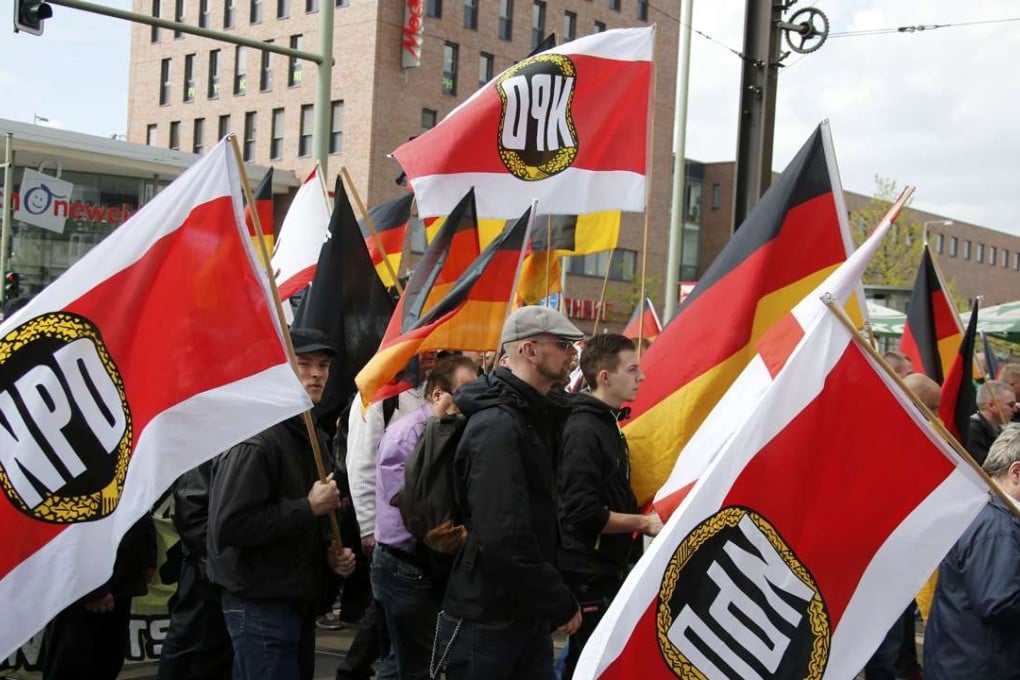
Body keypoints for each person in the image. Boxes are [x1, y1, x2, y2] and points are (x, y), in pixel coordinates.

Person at [436, 306, 585, 680]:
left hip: (520, 609)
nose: (572, 354)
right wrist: (558, 599)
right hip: (487, 616)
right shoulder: (498, 425)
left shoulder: (529, 414)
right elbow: (503, 536)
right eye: (563, 345)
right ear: (530, 351)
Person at [207, 327, 357, 680]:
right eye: (304, 364)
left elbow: (305, 520)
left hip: (294, 598)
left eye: (323, 365)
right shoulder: (258, 439)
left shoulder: (310, 434)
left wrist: (330, 555)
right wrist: (307, 507)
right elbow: (230, 526)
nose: (317, 373)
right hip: (260, 602)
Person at [557, 334, 662, 679]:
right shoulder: (585, 429)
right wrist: (643, 523)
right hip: (587, 574)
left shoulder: (606, 422)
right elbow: (583, 513)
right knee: (585, 665)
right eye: (632, 370)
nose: (641, 377)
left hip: (603, 570)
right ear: (604, 377)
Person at [372, 354, 479, 680]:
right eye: (464, 393)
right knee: (418, 664)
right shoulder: (409, 435)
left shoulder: (454, 430)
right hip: (407, 566)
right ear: (437, 394)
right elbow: (412, 507)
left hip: (429, 565)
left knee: (406, 658)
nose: (472, 402)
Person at [335, 352, 432, 680]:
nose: (432, 354)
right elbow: (360, 463)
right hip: (387, 533)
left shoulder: (436, 388)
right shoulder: (379, 394)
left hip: (418, 535)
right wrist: (367, 527)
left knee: (388, 622)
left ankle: (353, 671)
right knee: (392, 627)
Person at [923, 424, 1020, 679]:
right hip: (978, 666)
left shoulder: (986, 510)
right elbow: (999, 602)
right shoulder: (997, 525)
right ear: (1016, 472)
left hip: (965, 660)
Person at [41, 516, 156, 679]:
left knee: (107, 664)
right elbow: (69, 522)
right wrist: (91, 585)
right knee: (70, 667)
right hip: (79, 587)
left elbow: (138, 502)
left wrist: (148, 554)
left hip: (121, 575)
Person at [157, 460, 233, 679]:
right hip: (206, 571)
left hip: (225, 568)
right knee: (190, 647)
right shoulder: (209, 441)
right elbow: (192, 513)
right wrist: (218, 561)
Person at [965, 380, 1017, 465]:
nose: (1015, 410)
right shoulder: (972, 430)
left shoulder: (1000, 428)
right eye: (1011, 405)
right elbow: (987, 466)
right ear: (991, 405)